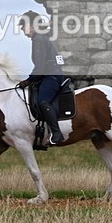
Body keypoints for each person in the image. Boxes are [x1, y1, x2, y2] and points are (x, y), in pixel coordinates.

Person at [17, 10, 66, 145]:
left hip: (52, 75)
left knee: (43, 101)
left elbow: (40, 67)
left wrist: (28, 80)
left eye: (23, 26)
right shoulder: (42, 36)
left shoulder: (39, 39)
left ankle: (57, 133)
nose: (22, 29)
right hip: (51, 73)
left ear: (31, 25)